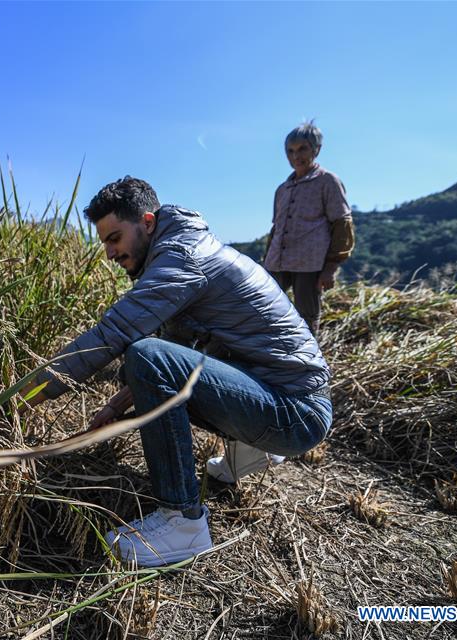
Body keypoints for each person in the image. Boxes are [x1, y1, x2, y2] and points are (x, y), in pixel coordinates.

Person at [21, 177, 332, 567]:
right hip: (280, 396)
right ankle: (252, 448)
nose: (109, 252)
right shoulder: (182, 250)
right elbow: (181, 353)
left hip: (295, 413)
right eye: (103, 242)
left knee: (145, 354)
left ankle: (183, 523)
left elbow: (116, 335)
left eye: (115, 238)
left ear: (147, 222)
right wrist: (115, 408)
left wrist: (24, 396)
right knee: (153, 358)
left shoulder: (183, 258)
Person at [263, 121, 355, 334]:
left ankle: (308, 361)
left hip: (309, 264)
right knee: (264, 307)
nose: (296, 156)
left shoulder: (327, 181)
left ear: (316, 149)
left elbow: (342, 223)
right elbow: (276, 229)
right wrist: (265, 261)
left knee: (306, 316)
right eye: (290, 151)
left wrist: (331, 267)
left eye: (302, 149)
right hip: (277, 262)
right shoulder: (282, 189)